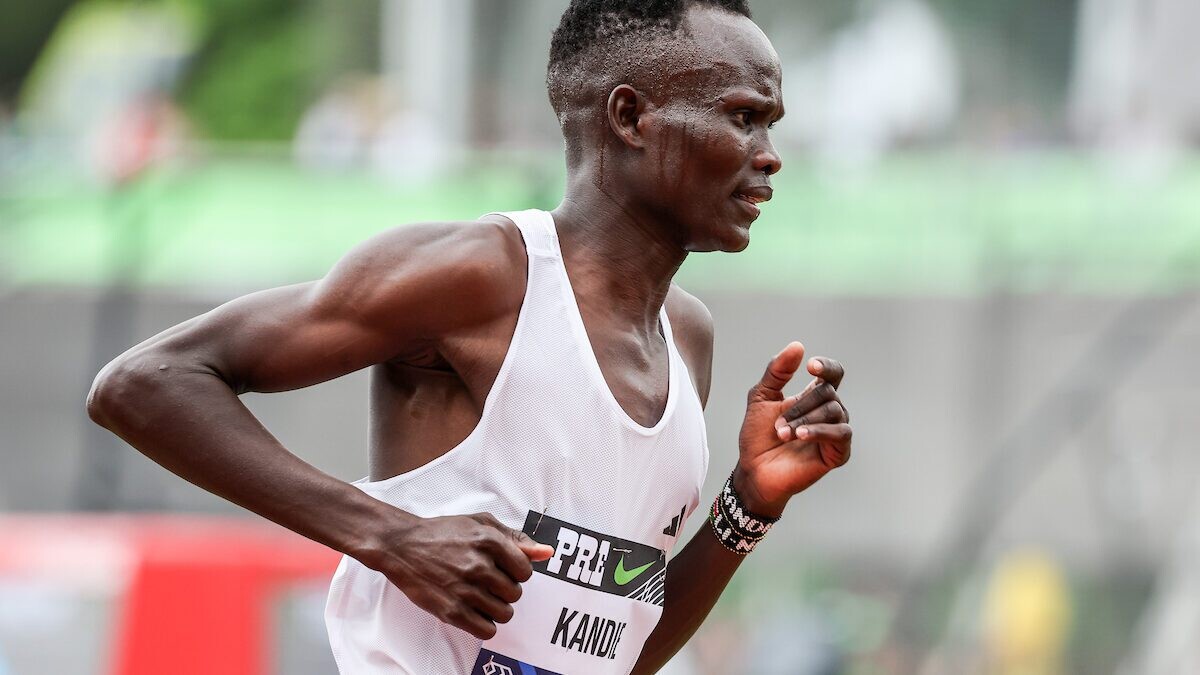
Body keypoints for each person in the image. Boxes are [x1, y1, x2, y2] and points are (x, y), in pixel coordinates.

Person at [86, 1, 853, 673]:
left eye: (770, 124)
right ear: (629, 118)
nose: (770, 154)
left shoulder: (687, 338)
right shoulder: (483, 277)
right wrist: (388, 535)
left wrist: (748, 502)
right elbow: (145, 382)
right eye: (743, 117)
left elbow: (612, 652)